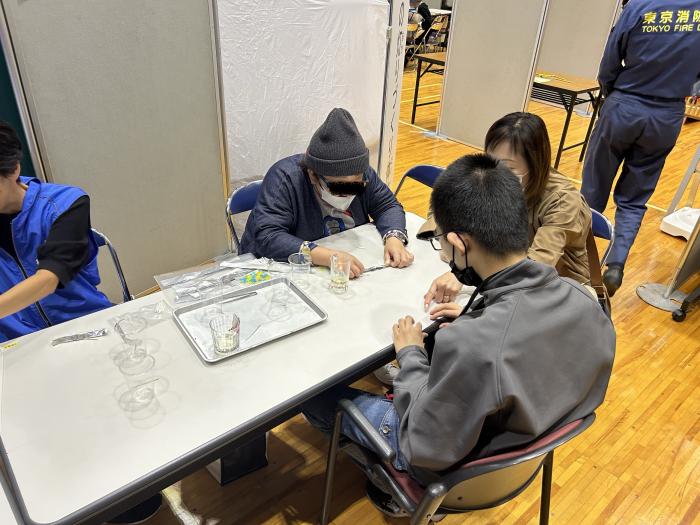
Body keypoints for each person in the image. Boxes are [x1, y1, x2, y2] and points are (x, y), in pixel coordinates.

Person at [302, 154, 615, 517]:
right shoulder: (585, 302)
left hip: (449, 470)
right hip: (524, 446)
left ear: (459, 243)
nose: (443, 256)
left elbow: (424, 445)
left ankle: (395, 487)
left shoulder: (472, 343)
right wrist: (479, 314)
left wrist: (411, 355)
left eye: (442, 245)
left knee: (316, 397)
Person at [0, 121, 163, 524]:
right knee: (44, 448)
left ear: (13, 169)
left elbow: (49, 278)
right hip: (17, 349)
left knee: (117, 419)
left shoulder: (65, 203)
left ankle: (131, 494)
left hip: (84, 330)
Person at [581, 0, 700, 296]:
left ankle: (579, 257)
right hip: (667, 115)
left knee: (594, 188)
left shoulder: (641, 5)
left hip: (625, 104)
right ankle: (616, 264)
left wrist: (611, 93)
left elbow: (610, 60)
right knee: (634, 199)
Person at [422, 112, 592, 307]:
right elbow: (443, 209)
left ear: (536, 166)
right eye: (490, 163)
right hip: (506, 282)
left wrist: (464, 274)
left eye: (507, 168)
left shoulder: (562, 201)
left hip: (561, 292)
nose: (494, 175)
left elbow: (534, 269)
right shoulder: (491, 179)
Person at [240, 108, 413, 278]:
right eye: (339, 187)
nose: (348, 194)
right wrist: (326, 256)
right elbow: (268, 237)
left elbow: (387, 206)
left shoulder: (363, 173)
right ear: (313, 175)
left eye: (355, 184)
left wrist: (394, 237)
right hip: (285, 269)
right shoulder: (285, 179)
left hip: (347, 260)